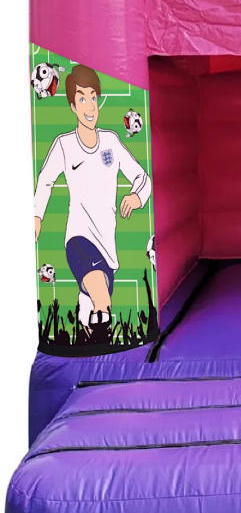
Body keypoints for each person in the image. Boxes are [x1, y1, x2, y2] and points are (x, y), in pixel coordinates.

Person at [33, 64, 151, 332]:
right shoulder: (64, 145)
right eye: (82, 99)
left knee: (97, 291)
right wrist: (37, 215)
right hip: (78, 238)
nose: (90, 106)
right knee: (101, 296)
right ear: (73, 106)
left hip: (107, 243)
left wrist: (136, 196)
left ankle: (87, 310)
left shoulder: (110, 142)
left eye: (93, 98)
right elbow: (46, 180)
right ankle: (99, 312)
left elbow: (141, 176)